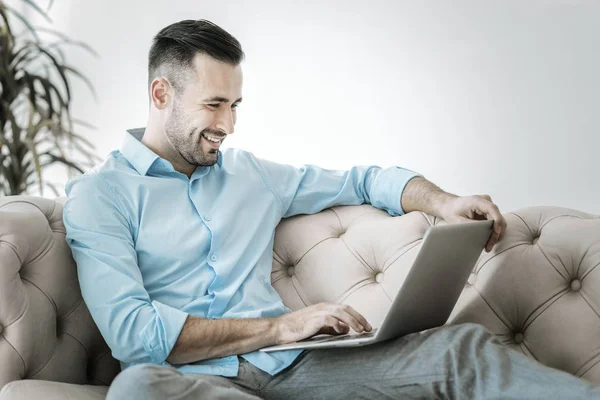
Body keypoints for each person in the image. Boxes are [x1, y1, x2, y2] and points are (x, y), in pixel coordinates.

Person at [62, 19, 598, 400]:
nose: (228, 125)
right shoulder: (100, 195)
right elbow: (134, 334)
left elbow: (363, 180)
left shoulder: (252, 175)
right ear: (161, 94)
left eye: (235, 105)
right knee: (135, 388)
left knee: (459, 348)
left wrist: (446, 202)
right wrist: (280, 327)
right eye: (213, 104)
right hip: (188, 381)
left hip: (294, 369)